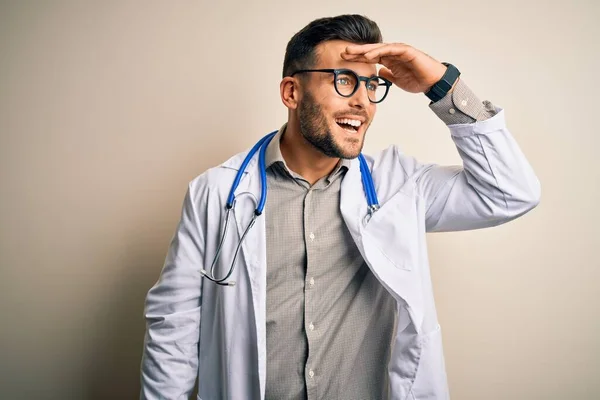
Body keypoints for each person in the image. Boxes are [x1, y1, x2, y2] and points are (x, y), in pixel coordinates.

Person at [140, 14, 540, 400]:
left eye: (371, 86)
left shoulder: (397, 187)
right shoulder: (215, 193)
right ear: (291, 92)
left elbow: (511, 192)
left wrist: (442, 84)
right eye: (345, 81)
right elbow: (173, 330)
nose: (363, 103)